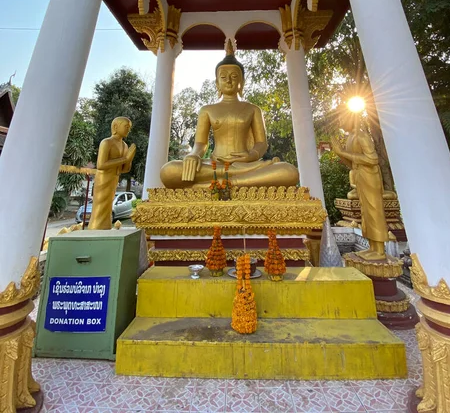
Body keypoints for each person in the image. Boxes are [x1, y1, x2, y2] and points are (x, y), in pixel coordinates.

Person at [161, 43, 299, 188]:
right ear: (217, 83)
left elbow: (262, 143)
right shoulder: (207, 110)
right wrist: (194, 155)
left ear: (242, 82)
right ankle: (230, 182)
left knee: (289, 172)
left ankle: (220, 184)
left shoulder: (252, 109)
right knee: (169, 171)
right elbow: (201, 144)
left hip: (246, 166)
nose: (228, 80)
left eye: (234, 76)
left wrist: (251, 156)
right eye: (223, 77)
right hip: (215, 165)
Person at [330, 108, 388, 261]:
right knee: (365, 211)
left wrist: (343, 152)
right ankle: (372, 247)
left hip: (370, 176)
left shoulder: (362, 135)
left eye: (342, 118)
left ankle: (380, 250)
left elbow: (372, 159)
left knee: (374, 210)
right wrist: (339, 152)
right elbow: (351, 163)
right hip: (360, 176)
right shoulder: (350, 137)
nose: (340, 122)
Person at [88, 117, 136, 230]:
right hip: (103, 178)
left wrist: (129, 159)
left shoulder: (124, 145)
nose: (128, 130)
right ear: (115, 127)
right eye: (126, 127)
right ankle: (95, 228)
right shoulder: (106, 142)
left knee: (108, 205)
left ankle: (105, 226)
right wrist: (125, 158)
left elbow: (124, 169)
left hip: (114, 178)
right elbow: (101, 165)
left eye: (129, 128)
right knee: (100, 205)